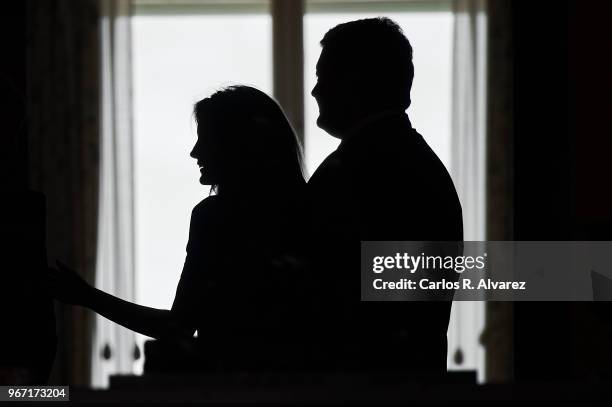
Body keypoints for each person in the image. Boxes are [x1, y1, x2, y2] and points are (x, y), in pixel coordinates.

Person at [45, 86, 307, 370]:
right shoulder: (316, 205)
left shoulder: (214, 218)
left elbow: (178, 324)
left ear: (237, 146)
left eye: (206, 139)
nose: (195, 151)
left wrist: (87, 296)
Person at [307, 18, 463, 373]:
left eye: (323, 76)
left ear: (356, 80)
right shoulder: (410, 159)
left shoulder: (365, 166)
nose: (315, 91)